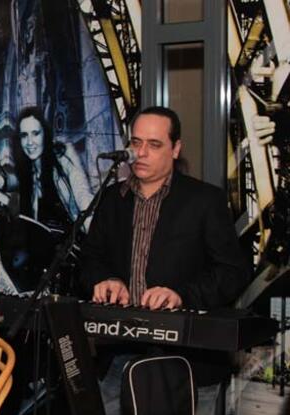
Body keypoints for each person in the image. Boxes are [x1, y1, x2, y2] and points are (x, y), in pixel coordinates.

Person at [80, 106, 250, 415]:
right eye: (136, 142)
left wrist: (181, 295)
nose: (141, 153)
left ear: (176, 149)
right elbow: (90, 258)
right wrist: (105, 279)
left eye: (154, 144)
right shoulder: (111, 199)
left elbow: (232, 272)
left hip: (190, 365)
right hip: (119, 357)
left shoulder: (204, 200)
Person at [0, 107, 92, 294]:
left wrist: (95, 237)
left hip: (70, 254)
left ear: (45, 134)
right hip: (42, 256)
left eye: (36, 133)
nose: (30, 142)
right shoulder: (28, 170)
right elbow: (7, 179)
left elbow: (83, 196)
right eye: (24, 135)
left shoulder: (63, 156)